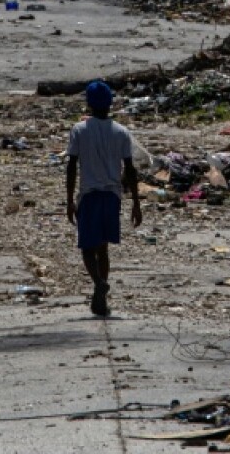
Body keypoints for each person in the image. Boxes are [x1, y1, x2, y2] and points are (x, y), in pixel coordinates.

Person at [66, 80, 141, 317]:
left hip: (89, 193)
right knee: (103, 249)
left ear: (89, 103)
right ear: (111, 103)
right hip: (112, 195)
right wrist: (136, 203)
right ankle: (102, 300)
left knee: (87, 248)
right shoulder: (121, 132)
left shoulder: (79, 130)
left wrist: (69, 199)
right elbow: (130, 170)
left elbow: (72, 166)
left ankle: (98, 283)